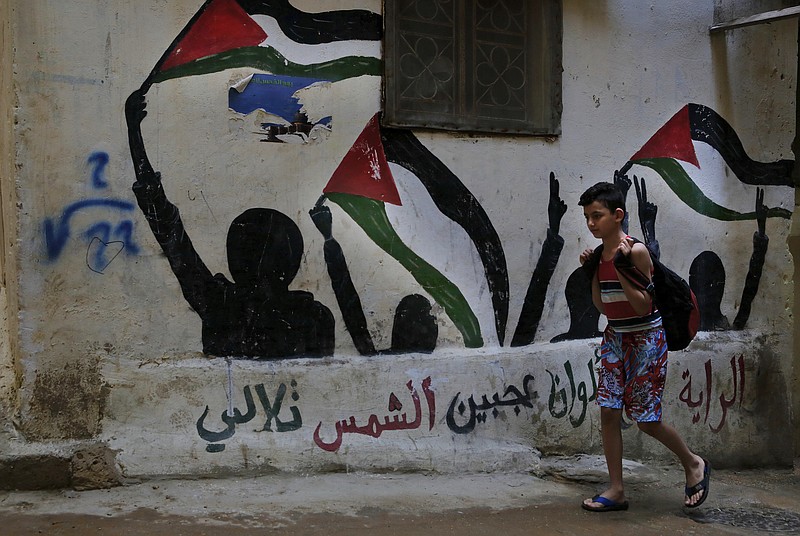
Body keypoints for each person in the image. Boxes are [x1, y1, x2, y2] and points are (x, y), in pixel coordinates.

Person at [125, 89, 334, 359]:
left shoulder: (219, 303)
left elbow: (168, 230)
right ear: (291, 260)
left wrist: (134, 133)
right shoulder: (313, 316)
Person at [577, 181, 709, 512]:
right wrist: (592, 270)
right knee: (608, 411)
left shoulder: (635, 251)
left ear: (618, 215)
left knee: (646, 419)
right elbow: (602, 306)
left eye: (598, 216)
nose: (592, 224)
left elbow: (641, 305)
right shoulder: (599, 254)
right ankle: (617, 489)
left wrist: (621, 267)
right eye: (588, 218)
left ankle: (694, 463)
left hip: (646, 340)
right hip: (615, 338)